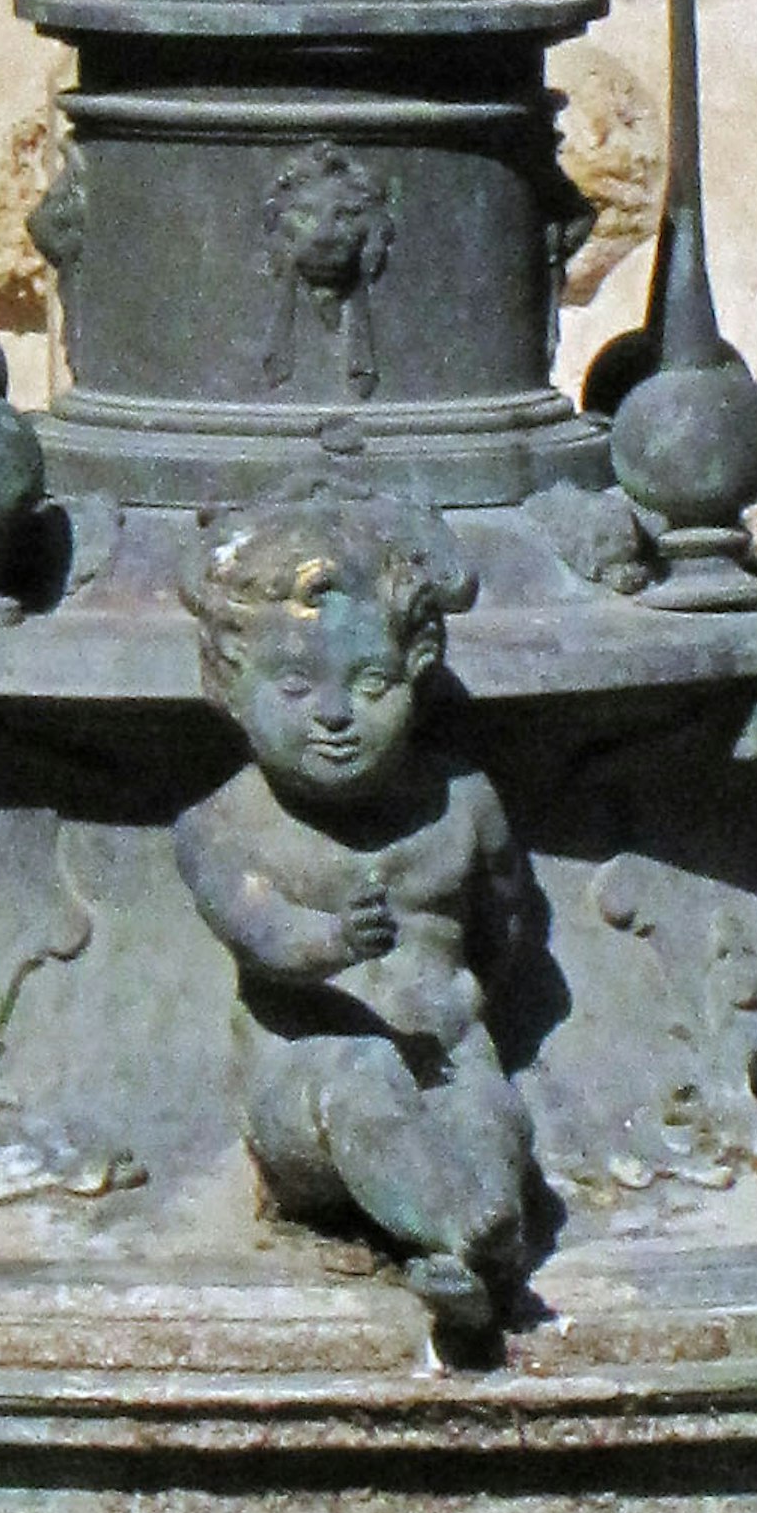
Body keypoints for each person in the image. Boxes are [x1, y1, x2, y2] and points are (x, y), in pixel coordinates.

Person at [173, 476, 544, 1349]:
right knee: (363, 1083)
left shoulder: (464, 805)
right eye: (295, 689)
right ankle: (453, 1233)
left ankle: (482, 1236)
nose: (336, 716)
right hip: (307, 1077)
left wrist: (456, 999)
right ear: (230, 683)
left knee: (489, 1109)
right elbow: (261, 934)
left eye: (371, 682)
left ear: (416, 670)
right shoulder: (224, 823)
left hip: (447, 1051)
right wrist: (336, 941)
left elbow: (509, 921)